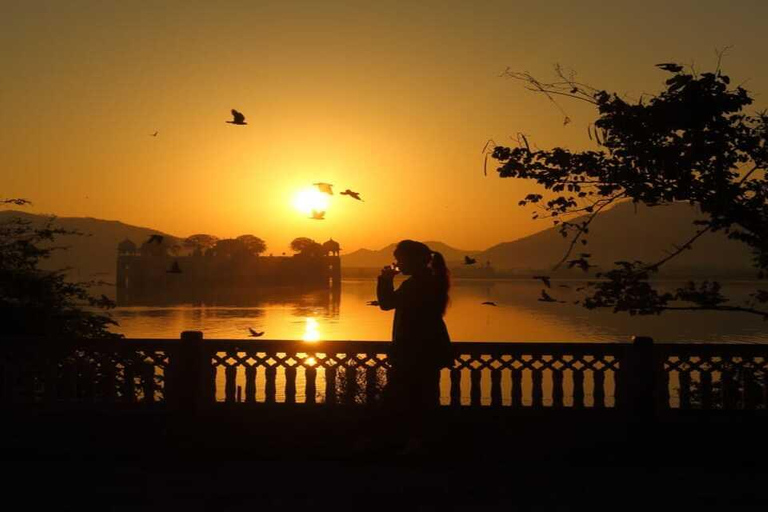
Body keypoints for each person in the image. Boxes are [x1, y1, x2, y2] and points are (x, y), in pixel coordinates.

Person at [375, 239, 452, 453]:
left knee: (401, 400)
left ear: (414, 260)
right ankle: (421, 443)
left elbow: (386, 304)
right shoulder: (430, 280)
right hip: (428, 350)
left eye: (400, 259)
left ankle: (409, 445)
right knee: (425, 399)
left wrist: (385, 279)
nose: (398, 264)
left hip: (414, 352)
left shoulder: (417, 284)